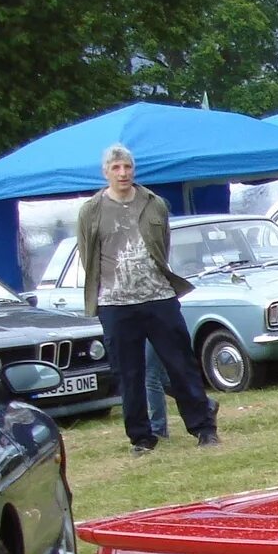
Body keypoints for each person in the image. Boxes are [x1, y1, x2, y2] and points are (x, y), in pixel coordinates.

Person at [77, 143, 218, 453]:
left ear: (133, 169)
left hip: (158, 296)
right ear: (106, 173)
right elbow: (89, 257)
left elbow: (162, 246)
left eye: (127, 167)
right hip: (114, 302)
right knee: (128, 374)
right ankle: (142, 438)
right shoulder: (91, 210)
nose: (123, 173)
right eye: (116, 168)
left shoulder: (154, 203)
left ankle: (204, 428)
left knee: (180, 364)